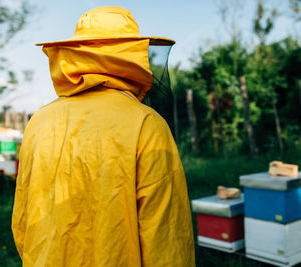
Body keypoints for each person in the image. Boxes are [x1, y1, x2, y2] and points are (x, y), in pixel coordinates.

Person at [12, 6, 195, 267]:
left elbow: (22, 219)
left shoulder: (39, 120)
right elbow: (166, 241)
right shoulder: (147, 123)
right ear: (130, 55)